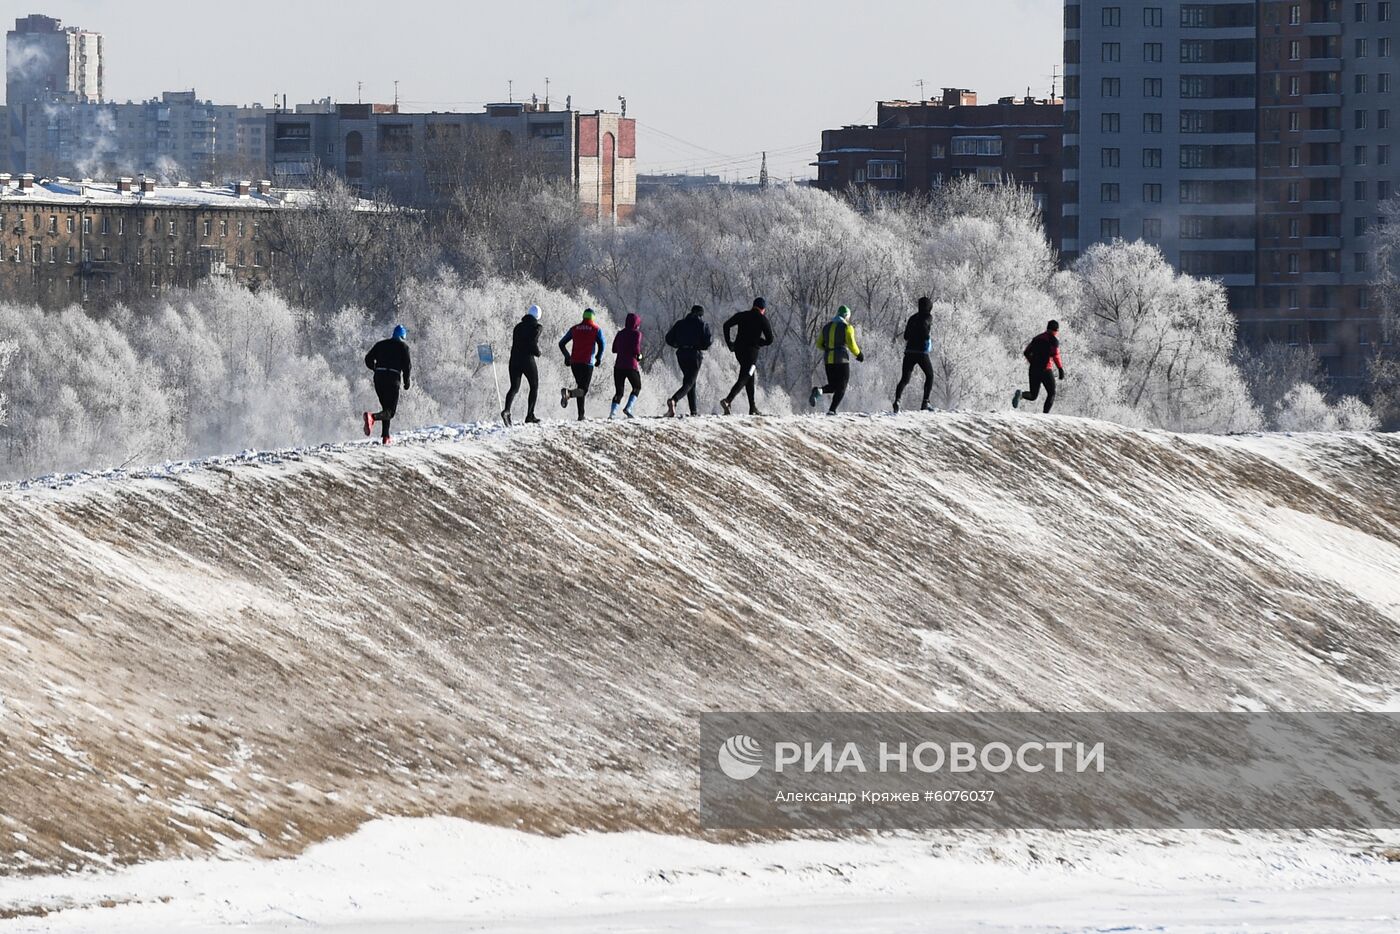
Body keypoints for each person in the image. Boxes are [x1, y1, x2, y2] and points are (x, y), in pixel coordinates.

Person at [719, 297, 775, 415]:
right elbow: (770, 339)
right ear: (763, 309)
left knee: (750, 376)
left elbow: (726, 325)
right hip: (751, 353)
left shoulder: (742, 315)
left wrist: (729, 342)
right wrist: (760, 342)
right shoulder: (762, 319)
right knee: (746, 376)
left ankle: (752, 407)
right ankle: (728, 400)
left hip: (739, 351)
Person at [808, 306, 864, 415]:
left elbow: (819, 344)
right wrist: (859, 354)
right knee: (842, 386)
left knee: (833, 386)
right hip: (841, 360)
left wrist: (829, 349)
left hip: (828, 360)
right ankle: (832, 410)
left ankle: (818, 391)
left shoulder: (826, 327)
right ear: (846, 316)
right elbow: (852, 344)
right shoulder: (847, 327)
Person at [362, 324, 411, 445]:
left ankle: (386, 437)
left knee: (386, 408)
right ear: (403, 336)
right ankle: (372, 417)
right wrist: (406, 381)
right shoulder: (403, 347)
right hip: (392, 379)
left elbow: (368, 358)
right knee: (390, 412)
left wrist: (375, 369)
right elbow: (407, 366)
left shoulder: (381, 344)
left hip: (379, 379)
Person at [664, 305, 713, 417]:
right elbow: (708, 341)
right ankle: (674, 400)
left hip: (681, 354)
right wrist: (701, 346)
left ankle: (693, 411)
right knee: (690, 382)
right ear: (700, 314)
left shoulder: (680, 323)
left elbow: (668, 338)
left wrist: (677, 344)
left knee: (690, 381)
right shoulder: (702, 324)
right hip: (694, 354)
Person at [559, 308, 606, 421]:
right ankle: (569, 393)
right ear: (593, 318)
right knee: (583, 389)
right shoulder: (596, 329)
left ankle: (581, 415)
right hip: (587, 363)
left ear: (583, 317)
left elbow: (561, 343)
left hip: (574, 363)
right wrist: (598, 358)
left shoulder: (574, 328)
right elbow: (602, 344)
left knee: (580, 387)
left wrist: (567, 356)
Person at [1013, 320, 1065, 414]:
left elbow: (1026, 352)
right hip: (1045, 370)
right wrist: (1060, 369)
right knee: (1051, 392)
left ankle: (1021, 394)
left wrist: (1032, 362)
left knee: (1033, 395)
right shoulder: (1053, 340)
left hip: (1033, 370)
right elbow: (1055, 355)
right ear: (1055, 330)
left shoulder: (1037, 338)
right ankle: (1045, 415)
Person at [502, 304, 542, 426]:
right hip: (527, 360)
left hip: (514, 360)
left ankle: (507, 410)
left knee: (514, 387)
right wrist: (538, 352)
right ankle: (530, 415)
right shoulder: (537, 326)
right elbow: (532, 342)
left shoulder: (517, 327)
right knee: (534, 386)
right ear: (538, 316)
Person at [894, 296, 934, 413]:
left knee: (905, 379)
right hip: (921, 352)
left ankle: (897, 400)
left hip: (909, 351)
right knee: (930, 375)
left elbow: (905, 336)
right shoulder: (928, 317)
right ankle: (925, 402)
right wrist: (926, 339)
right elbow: (926, 331)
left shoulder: (912, 318)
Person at [611, 313, 643, 419]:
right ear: (636, 323)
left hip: (618, 366)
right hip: (631, 366)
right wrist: (639, 356)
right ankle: (628, 408)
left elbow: (614, 349)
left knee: (619, 392)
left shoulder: (620, 333)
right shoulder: (637, 334)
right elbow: (637, 349)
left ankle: (612, 414)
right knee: (637, 386)